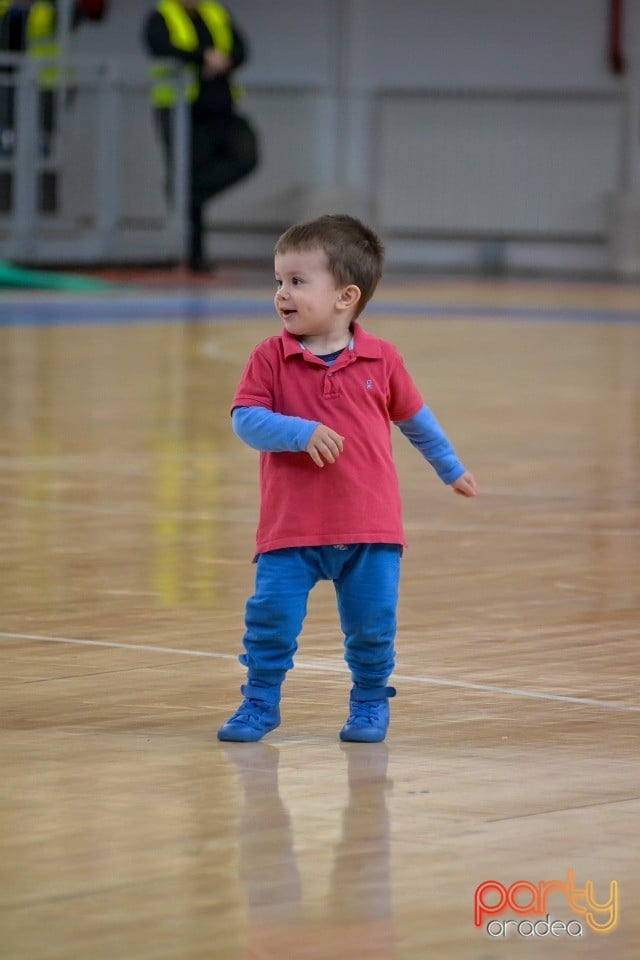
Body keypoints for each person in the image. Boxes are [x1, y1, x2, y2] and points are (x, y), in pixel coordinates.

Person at [218, 214, 477, 744]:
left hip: (371, 529)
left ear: (346, 296)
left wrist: (450, 467)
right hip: (291, 531)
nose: (282, 294)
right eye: (278, 282)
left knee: (372, 628)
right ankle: (260, 702)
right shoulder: (269, 357)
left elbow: (416, 421)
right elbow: (245, 420)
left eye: (296, 281)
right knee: (269, 621)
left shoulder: (382, 359)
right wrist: (299, 430)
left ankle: (368, 704)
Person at [142, 0, 259, 272]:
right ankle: (192, 256)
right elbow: (161, 48)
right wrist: (203, 56)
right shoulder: (161, 16)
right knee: (187, 173)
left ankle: (189, 194)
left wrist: (224, 60)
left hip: (221, 108)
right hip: (182, 111)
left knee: (244, 156)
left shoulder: (215, 12)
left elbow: (241, 49)